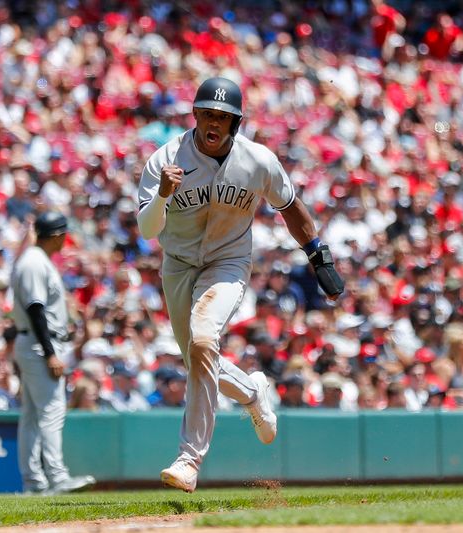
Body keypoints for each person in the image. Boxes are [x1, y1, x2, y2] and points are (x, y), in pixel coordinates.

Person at [137, 77, 344, 492]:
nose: (214, 123)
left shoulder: (258, 160)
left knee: (201, 341)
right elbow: (146, 230)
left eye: (223, 117)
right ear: (194, 114)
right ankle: (252, 391)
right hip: (178, 265)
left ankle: (189, 458)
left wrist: (318, 254)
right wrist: (162, 196)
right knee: (199, 355)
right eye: (207, 114)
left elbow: (290, 206)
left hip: (227, 263)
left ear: (236, 121)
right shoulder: (166, 159)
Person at [11, 211, 95, 495]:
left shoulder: (35, 260)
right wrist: (50, 353)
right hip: (38, 344)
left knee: (33, 415)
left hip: (35, 342)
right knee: (50, 412)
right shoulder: (34, 262)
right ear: (57, 236)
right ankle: (56, 478)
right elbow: (36, 310)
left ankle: (33, 482)